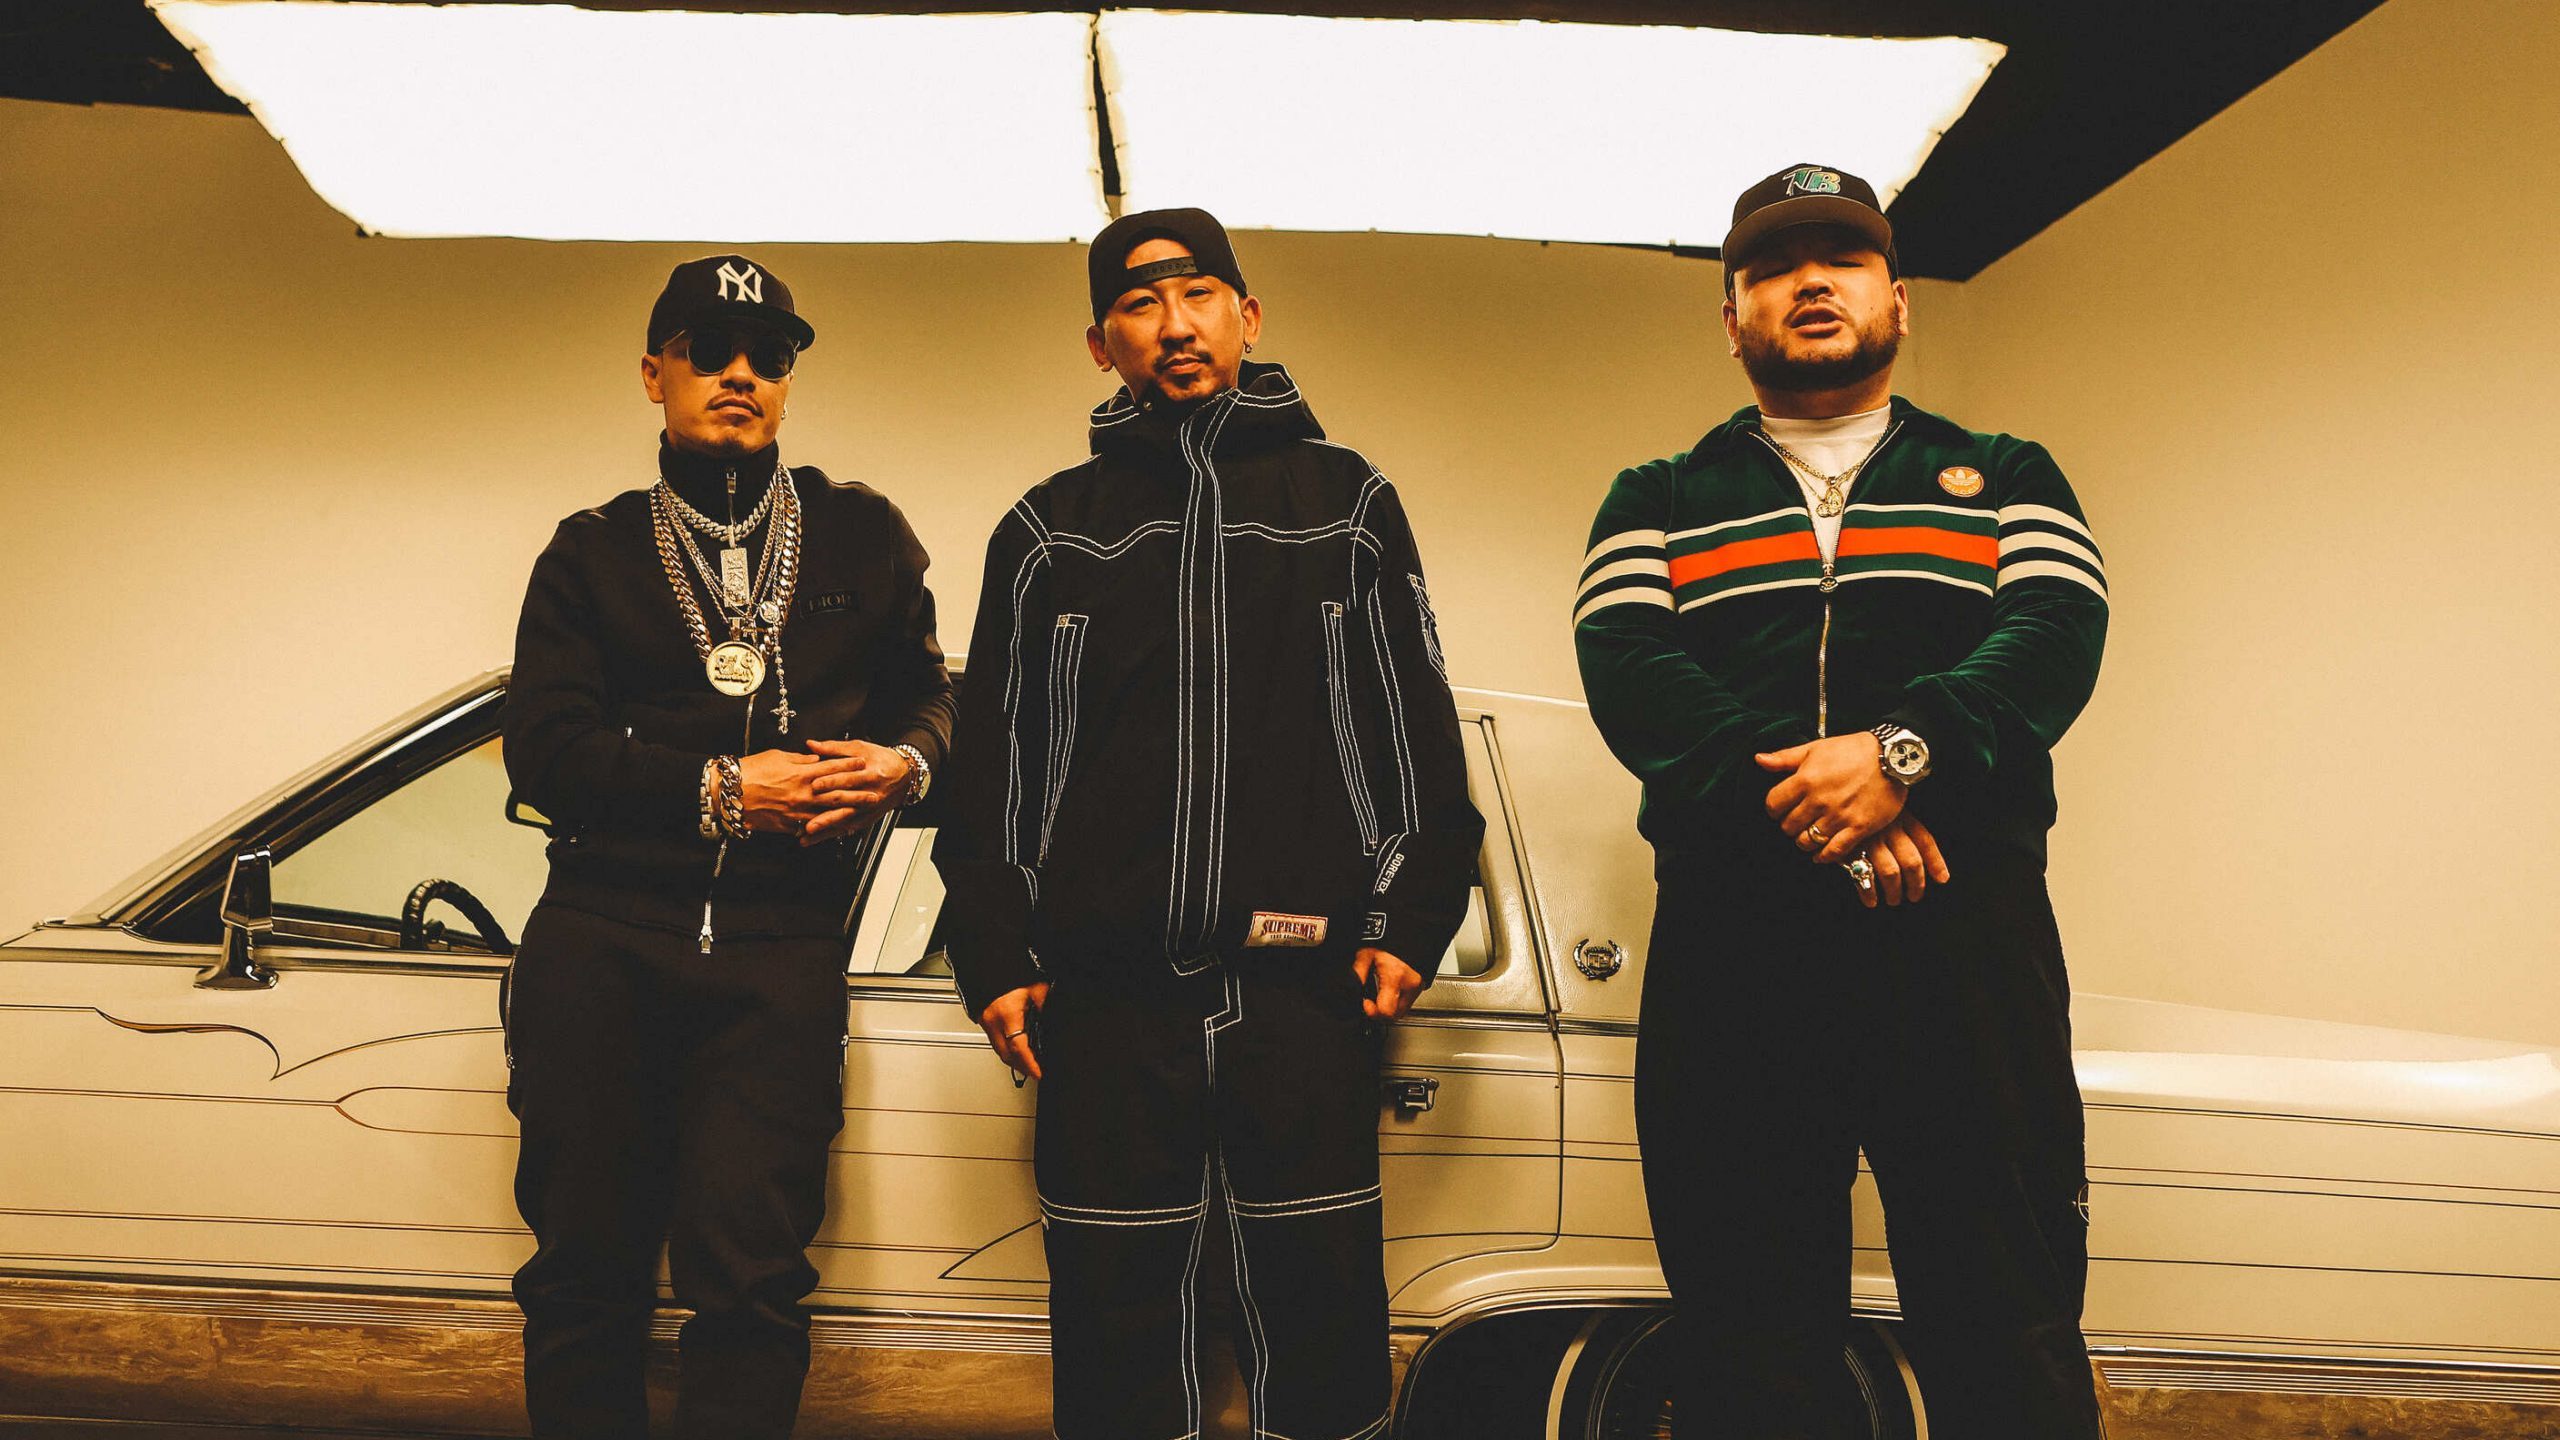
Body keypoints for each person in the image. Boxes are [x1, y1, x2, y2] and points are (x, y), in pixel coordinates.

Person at [1572, 165, 2110, 1438]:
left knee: (2005, 1300)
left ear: (1896, 301)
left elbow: (2053, 634)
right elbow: (1634, 675)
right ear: (1732, 320)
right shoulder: (1655, 496)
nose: (1810, 282)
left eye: (1843, 259)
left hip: (1962, 930)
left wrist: (1901, 754)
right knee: (1745, 1319)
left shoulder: (2007, 474)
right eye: (1772, 268)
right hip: (1735, 944)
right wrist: (1830, 811)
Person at [935, 207, 1482, 1440]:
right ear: (1101, 345)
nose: (1172, 324)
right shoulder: (1048, 529)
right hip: (1103, 1008)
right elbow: (997, 766)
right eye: (1138, 304)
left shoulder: (1344, 500)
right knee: (1117, 1342)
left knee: (1323, 1340)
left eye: (1196, 295)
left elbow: (1414, 727)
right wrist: (997, 949)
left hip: (1304, 1000)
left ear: (1247, 315)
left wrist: (1410, 917)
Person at [500, 254, 954, 1439]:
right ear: (655, 373)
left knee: (752, 1282)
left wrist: (906, 764)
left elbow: (937, 702)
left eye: (769, 355)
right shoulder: (591, 551)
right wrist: (718, 790)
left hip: (779, 949)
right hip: (602, 941)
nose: (740, 373)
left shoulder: (862, 534)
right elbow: (543, 751)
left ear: (789, 383)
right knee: (584, 1276)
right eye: (708, 352)